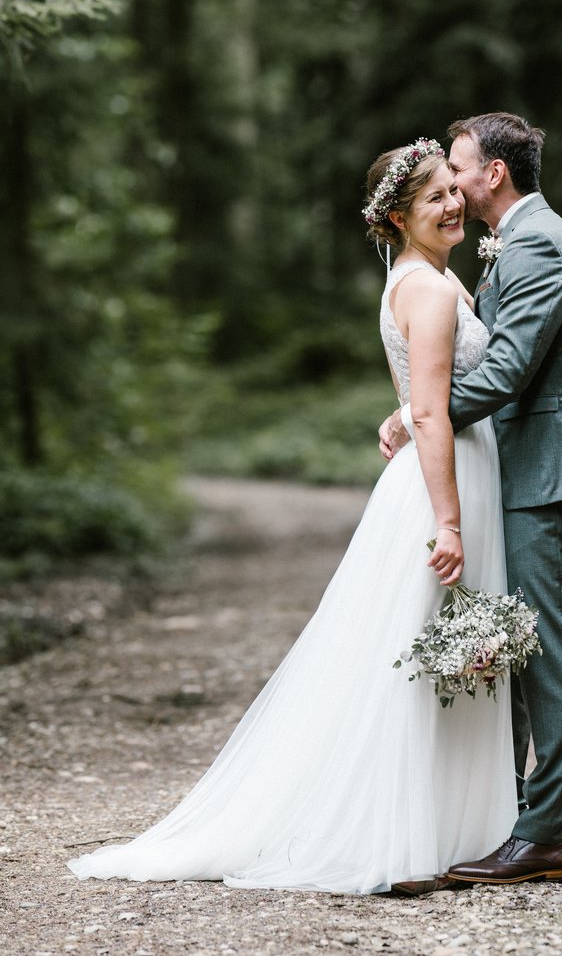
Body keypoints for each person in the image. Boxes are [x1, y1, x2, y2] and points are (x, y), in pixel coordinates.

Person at [68, 139, 517, 895]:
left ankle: (441, 830)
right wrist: (450, 521)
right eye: (433, 197)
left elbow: (416, 392)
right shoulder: (433, 290)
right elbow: (436, 413)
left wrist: (401, 414)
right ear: (398, 218)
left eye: (452, 190)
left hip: (438, 476)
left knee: (428, 654)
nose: (451, 205)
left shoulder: (418, 280)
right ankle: (401, 837)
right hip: (445, 484)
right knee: (422, 659)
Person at [380, 112, 562, 886]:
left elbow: (508, 370)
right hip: (526, 471)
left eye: (458, 167)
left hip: (553, 472)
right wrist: (420, 408)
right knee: (518, 649)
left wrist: (423, 411)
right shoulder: (512, 242)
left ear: (493, 174)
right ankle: (511, 813)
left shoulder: (541, 242)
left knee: (550, 650)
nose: (451, 182)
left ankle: (547, 832)